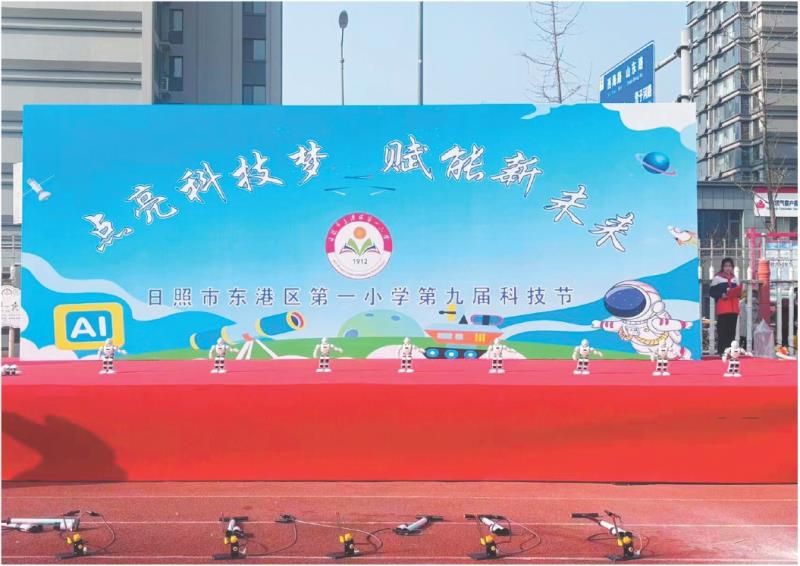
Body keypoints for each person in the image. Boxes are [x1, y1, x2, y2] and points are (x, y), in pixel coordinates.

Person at [709, 257, 743, 356]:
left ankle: (731, 351)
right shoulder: (717, 278)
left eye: (730, 266)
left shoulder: (735, 279)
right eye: (726, 266)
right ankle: (721, 351)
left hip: (734, 308)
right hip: (723, 308)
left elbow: (739, 293)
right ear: (722, 267)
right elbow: (711, 292)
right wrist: (721, 294)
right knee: (722, 331)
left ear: (732, 267)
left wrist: (738, 293)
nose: (728, 268)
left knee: (731, 331)